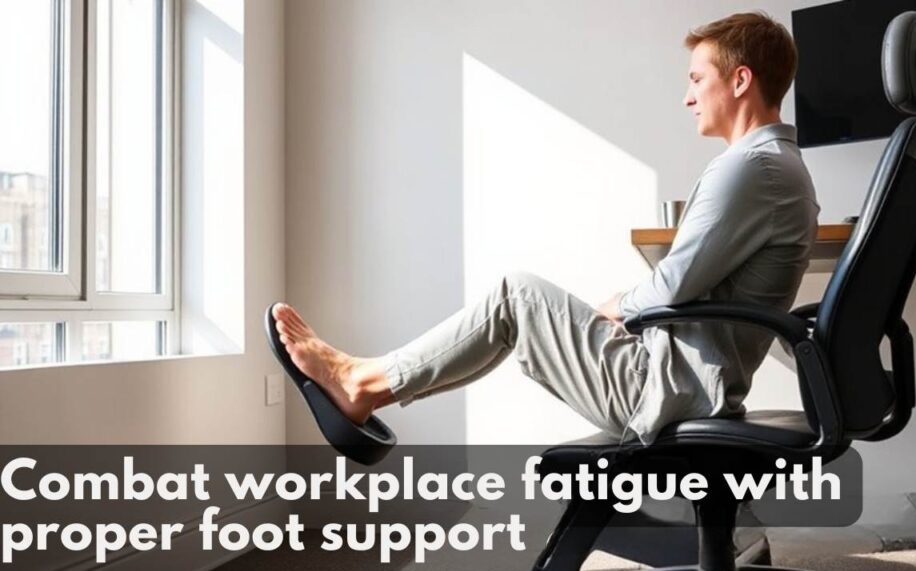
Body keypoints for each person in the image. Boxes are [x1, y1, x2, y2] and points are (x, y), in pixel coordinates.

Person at [272, 11, 819, 445]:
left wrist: (618, 305)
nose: (688, 96)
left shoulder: (753, 167)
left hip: (669, 390)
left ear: (741, 79)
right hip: (689, 381)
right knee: (521, 313)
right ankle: (366, 379)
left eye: (698, 78)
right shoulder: (776, 167)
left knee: (517, 295)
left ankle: (361, 382)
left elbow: (675, 283)